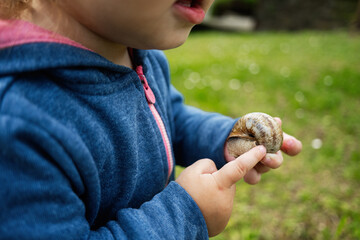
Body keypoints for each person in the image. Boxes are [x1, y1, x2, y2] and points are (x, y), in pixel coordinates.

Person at [0, 0, 302, 239]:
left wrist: (224, 139)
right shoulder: (21, 124)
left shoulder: (137, 53)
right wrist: (184, 216)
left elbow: (170, 117)